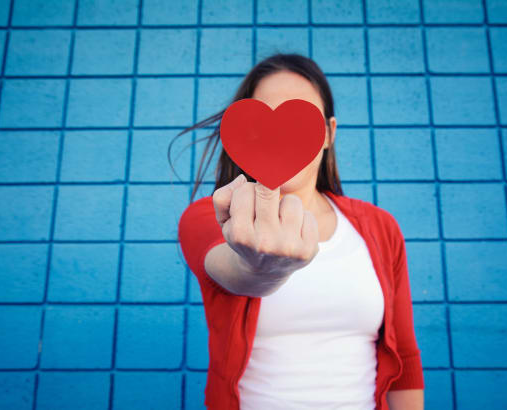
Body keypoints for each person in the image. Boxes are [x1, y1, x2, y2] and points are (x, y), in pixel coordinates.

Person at [174, 53, 424, 409]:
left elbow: (406, 361)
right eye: (265, 118)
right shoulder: (214, 216)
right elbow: (232, 269)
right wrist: (260, 269)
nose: (280, 136)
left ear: (328, 134)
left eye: (299, 117)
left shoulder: (380, 227)